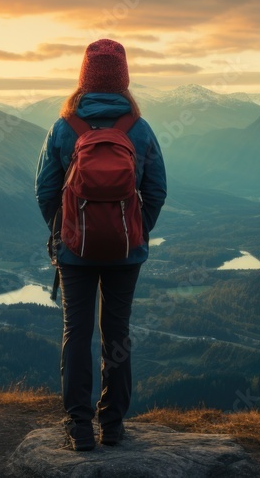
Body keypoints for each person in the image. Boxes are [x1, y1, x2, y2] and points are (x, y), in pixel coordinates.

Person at [34, 39, 167, 451]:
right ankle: (111, 425)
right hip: (127, 253)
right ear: (124, 79)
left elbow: (45, 191)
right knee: (117, 334)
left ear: (83, 78)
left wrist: (65, 234)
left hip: (74, 253)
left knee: (77, 333)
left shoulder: (64, 127)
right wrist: (135, 231)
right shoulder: (138, 129)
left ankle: (78, 427)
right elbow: (157, 190)